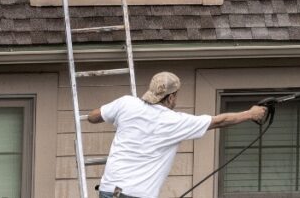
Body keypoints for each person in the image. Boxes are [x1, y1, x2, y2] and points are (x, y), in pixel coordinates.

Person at [86, 71, 267, 198]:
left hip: (109, 190)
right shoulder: (174, 121)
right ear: (171, 97)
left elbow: (93, 117)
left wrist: (104, 116)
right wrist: (251, 114)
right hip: (136, 194)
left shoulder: (126, 103)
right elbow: (219, 121)